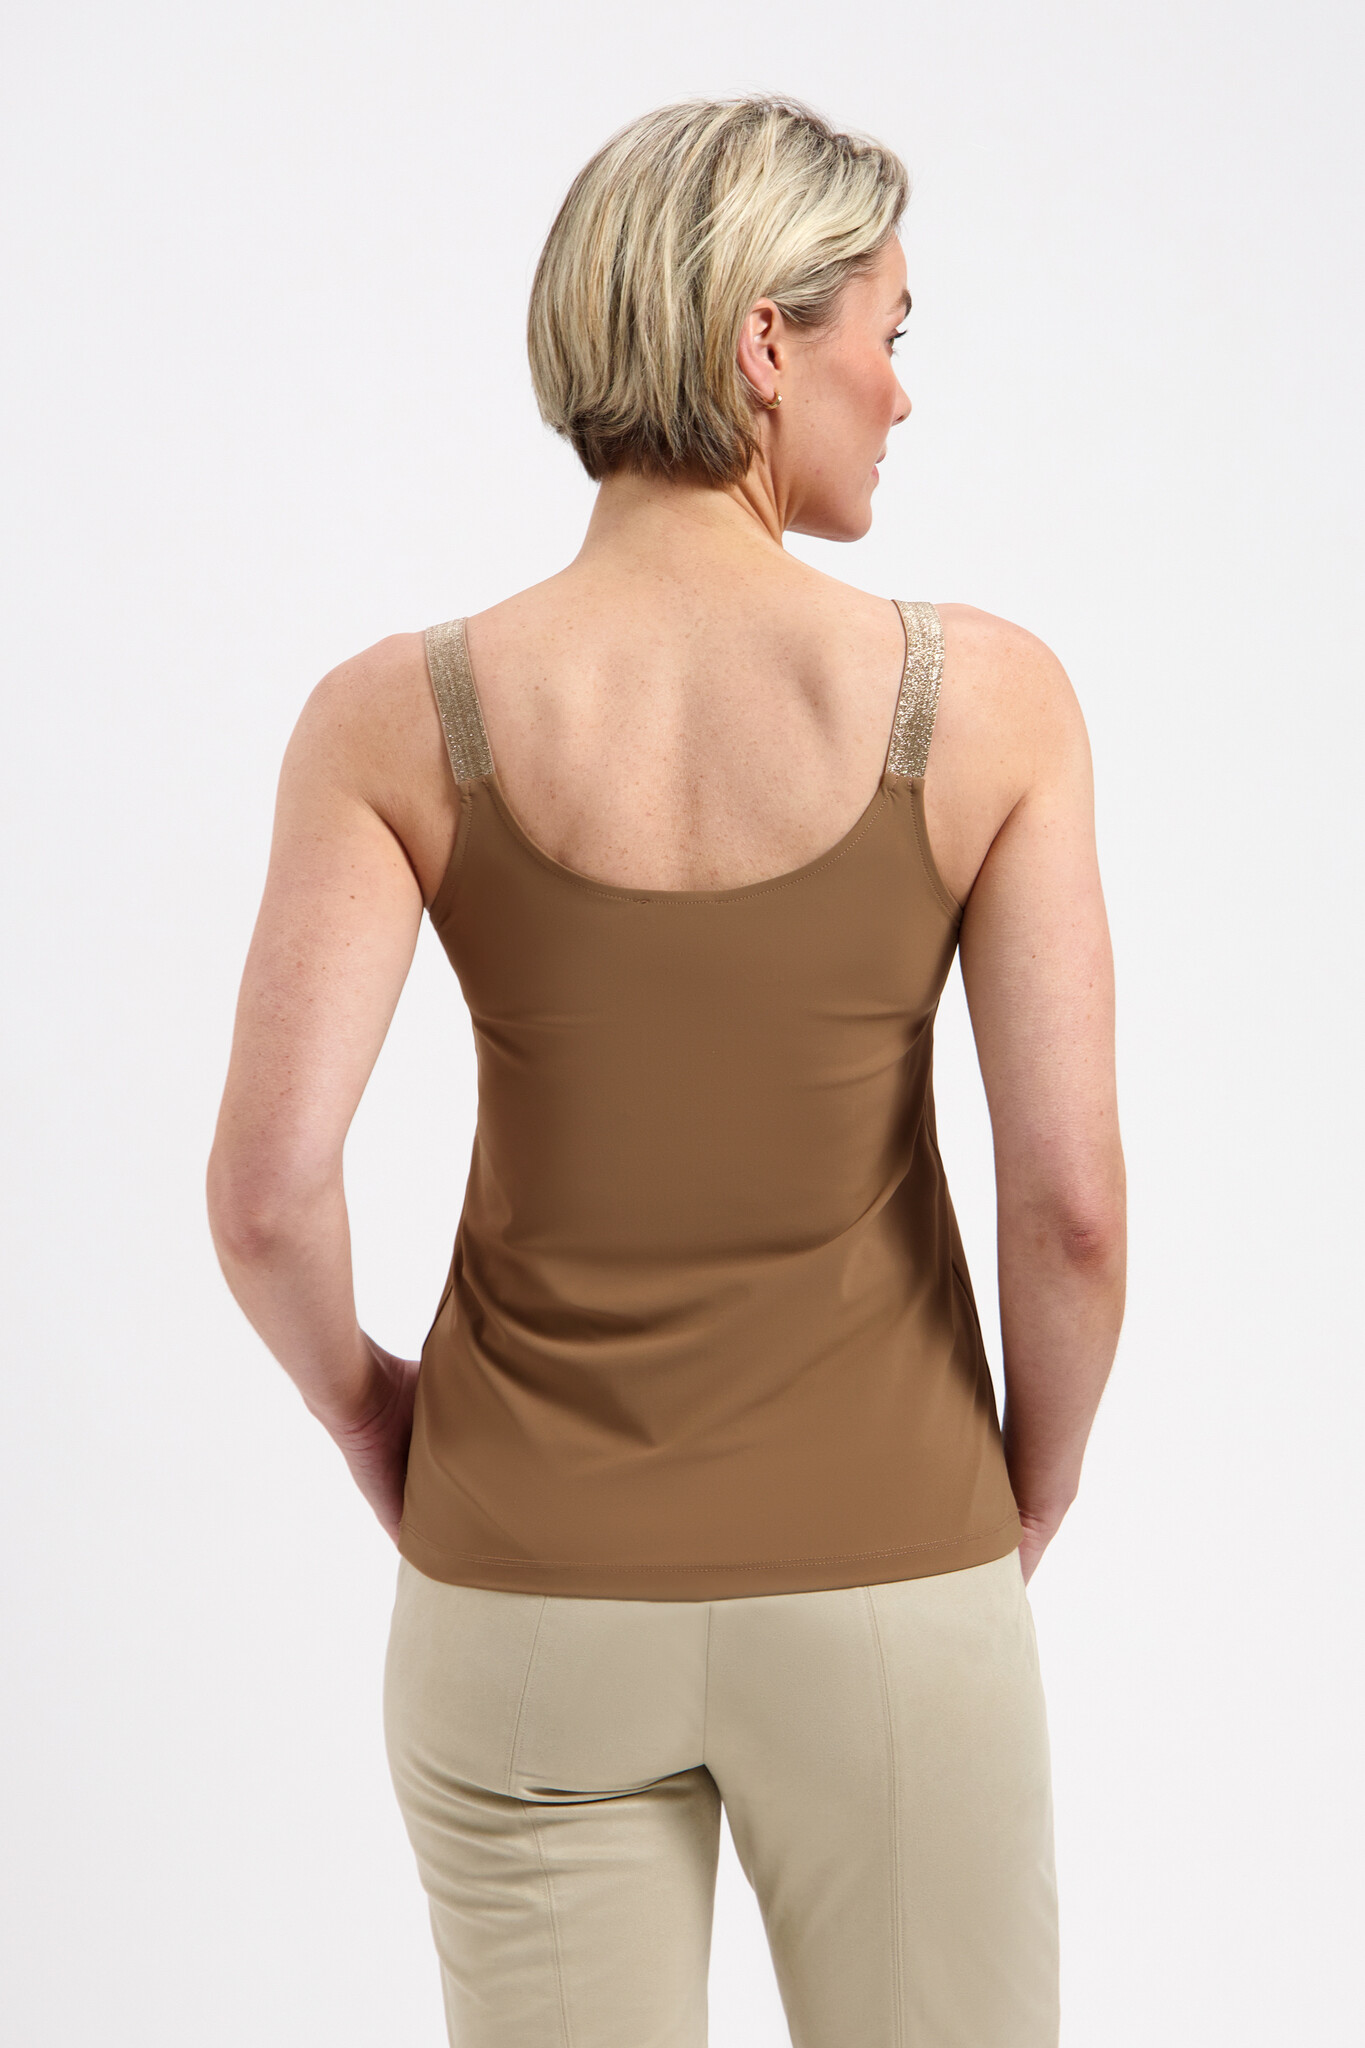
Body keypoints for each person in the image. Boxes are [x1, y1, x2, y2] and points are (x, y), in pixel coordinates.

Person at [207, 93, 1125, 2048]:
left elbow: (268, 1194)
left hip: (519, 1589)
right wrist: (1023, 1491)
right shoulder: (987, 705)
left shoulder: (391, 721)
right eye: (888, 329)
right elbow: (1069, 1208)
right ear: (762, 342)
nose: (901, 389)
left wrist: (374, 1420)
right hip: (890, 1575)